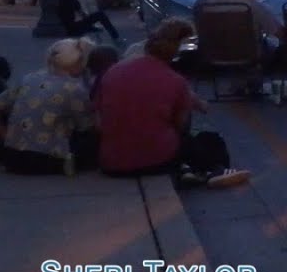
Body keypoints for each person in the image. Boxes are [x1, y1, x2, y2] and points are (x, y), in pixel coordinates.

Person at [97, 19, 249, 188]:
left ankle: (188, 170)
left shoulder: (114, 71)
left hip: (111, 163)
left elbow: (98, 113)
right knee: (209, 140)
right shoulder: (176, 81)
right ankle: (216, 170)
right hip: (156, 161)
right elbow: (180, 126)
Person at [0, 38, 96, 175]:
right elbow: (86, 125)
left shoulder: (28, 78)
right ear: (80, 62)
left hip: (12, 158)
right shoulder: (74, 89)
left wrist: (5, 135)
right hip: (46, 159)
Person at [54, 0, 122, 44]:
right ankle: (115, 37)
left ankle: (91, 28)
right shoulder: (72, 0)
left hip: (63, 29)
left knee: (87, 23)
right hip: (73, 29)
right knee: (100, 15)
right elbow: (83, 15)